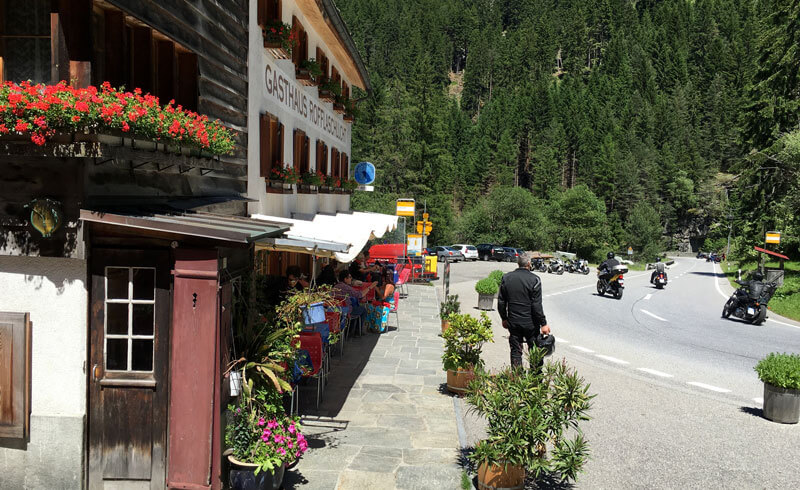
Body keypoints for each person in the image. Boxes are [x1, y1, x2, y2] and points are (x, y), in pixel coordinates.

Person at [497, 252, 552, 369]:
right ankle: (535, 382)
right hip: (531, 324)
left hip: (513, 322)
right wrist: (543, 323)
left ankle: (517, 380)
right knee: (535, 352)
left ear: (518, 263)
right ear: (529, 264)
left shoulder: (506, 278)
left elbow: (501, 302)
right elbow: (536, 305)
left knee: (516, 351)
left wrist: (504, 318)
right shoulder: (535, 280)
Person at [365, 268, 396, 333]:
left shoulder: (389, 286)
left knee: (379, 309)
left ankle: (378, 328)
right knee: (369, 307)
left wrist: (376, 289)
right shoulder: (385, 284)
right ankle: (370, 326)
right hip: (382, 303)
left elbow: (383, 297)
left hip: (388, 304)